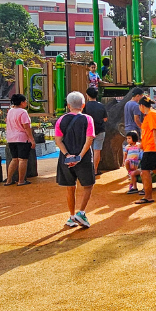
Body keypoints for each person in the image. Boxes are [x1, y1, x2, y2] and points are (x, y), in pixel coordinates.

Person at [54, 91, 95, 228]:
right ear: (83, 105)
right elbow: (89, 139)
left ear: (68, 105)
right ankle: (81, 212)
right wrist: (79, 157)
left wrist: (67, 155)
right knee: (88, 186)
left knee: (70, 188)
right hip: (83, 158)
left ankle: (71, 217)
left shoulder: (61, 120)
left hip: (65, 158)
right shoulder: (88, 119)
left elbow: (58, 140)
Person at [4, 93, 33, 186]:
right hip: (22, 138)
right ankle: (21, 181)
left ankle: (9, 180)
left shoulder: (10, 111)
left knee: (14, 159)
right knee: (22, 159)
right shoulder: (23, 112)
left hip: (11, 138)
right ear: (22, 102)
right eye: (25, 101)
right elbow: (26, 126)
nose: (26, 103)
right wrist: (31, 139)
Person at [82, 87, 108, 176]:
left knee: (87, 150)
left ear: (87, 95)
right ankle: (95, 170)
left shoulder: (85, 106)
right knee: (97, 150)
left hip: (88, 131)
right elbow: (105, 119)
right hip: (100, 130)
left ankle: (87, 170)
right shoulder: (101, 105)